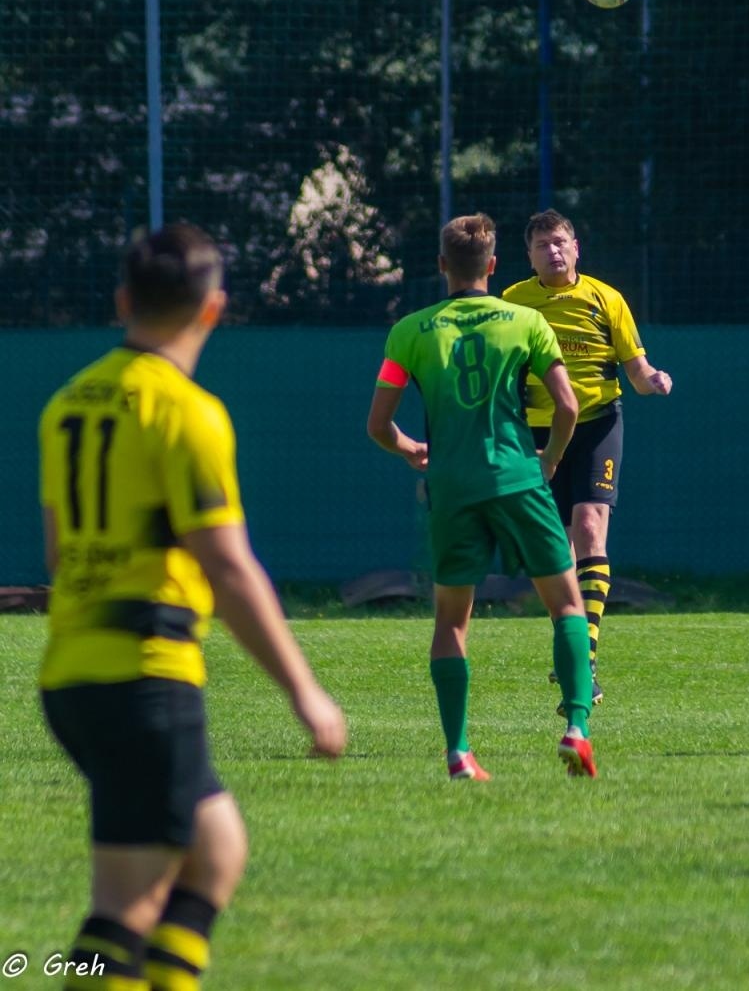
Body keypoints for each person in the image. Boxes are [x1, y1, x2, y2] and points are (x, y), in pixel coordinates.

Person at [38, 224, 347, 990]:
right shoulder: (187, 412)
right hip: (144, 676)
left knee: (216, 852)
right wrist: (305, 693)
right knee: (125, 907)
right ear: (214, 309)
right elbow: (230, 567)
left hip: (74, 672)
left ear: (122, 301)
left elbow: (57, 555)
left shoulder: (68, 404)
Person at [367, 213, 598, 778]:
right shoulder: (526, 321)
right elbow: (567, 407)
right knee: (567, 604)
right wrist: (548, 460)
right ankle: (576, 728)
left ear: (443, 266)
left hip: (452, 486)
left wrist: (409, 449)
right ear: (494, 266)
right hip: (518, 477)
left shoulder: (410, 332)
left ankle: (459, 752)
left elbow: (378, 425)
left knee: (451, 621)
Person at [502, 210, 672, 710]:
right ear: (529, 256)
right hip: (535, 430)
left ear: (577, 247)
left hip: (597, 422)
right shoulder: (513, 303)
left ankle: (585, 657)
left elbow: (636, 371)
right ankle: (570, 643)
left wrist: (653, 380)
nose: (552, 252)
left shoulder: (605, 299)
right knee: (554, 546)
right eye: (541, 245)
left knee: (590, 528)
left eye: (560, 242)